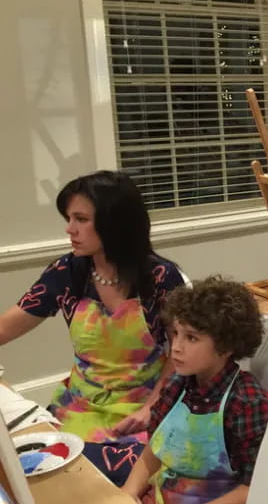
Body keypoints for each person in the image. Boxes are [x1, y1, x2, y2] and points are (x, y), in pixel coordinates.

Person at [0, 171, 185, 482]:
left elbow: (182, 354)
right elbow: (5, 328)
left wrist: (152, 407)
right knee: (47, 472)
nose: (69, 229)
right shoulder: (67, 272)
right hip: (80, 405)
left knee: (134, 482)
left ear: (115, 223)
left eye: (81, 219)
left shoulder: (161, 278)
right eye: (69, 218)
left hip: (145, 405)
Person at [122, 276, 268, 504]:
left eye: (191, 338)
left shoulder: (247, 402)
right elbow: (155, 448)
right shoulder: (177, 386)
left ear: (227, 345)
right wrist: (129, 491)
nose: (176, 348)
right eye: (174, 334)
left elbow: (254, 486)